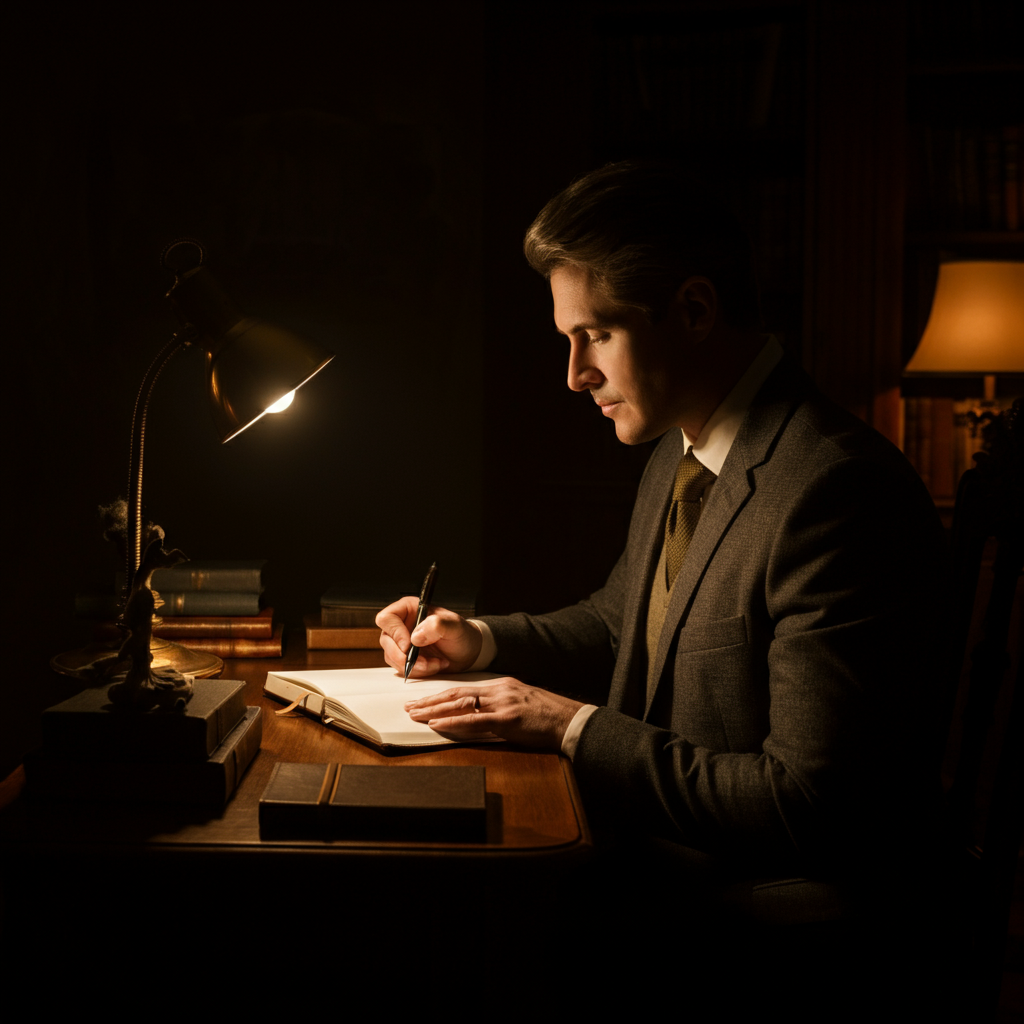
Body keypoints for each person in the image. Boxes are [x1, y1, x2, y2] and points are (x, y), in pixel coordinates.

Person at [376, 161, 944, 892]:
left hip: (767, 921)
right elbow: (622, 626)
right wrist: (479, 640)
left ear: (696, 312)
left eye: (597, 334)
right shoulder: (686, 445)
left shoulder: (835, 490)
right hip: (668, 865)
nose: (575, 374)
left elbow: (806, 804)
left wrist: (568, 726)